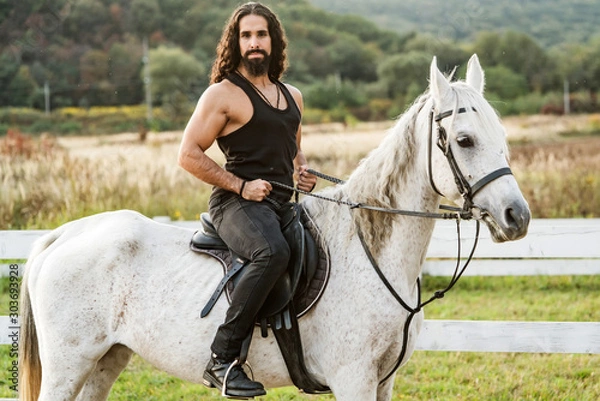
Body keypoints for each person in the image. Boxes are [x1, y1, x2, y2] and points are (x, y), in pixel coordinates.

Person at [178, 2, 317, 398]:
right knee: (271, 252)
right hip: (235, 203)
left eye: (261, 34)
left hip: (281, 202)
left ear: (273, 41)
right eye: (246, 36)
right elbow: (188, 154)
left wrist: (301, 171)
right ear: (235, 43)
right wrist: (240, 187)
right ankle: (222, 359)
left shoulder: (293, 96)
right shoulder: (222, 94)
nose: (254, 43)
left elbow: (292, 148)